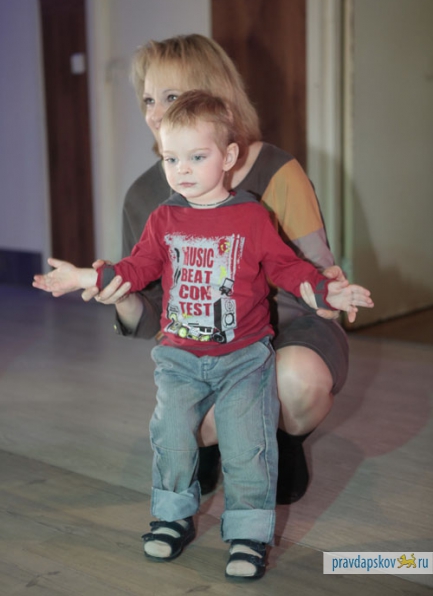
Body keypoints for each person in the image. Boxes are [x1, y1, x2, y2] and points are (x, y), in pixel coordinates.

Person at [33, 91, 373, 579]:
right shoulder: (164, 218)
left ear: (228, 157)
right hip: (179, 360)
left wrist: (327, 290)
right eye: (171, 159)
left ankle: (249, 536)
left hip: (244, 360)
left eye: (197, 157)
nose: (182, 170)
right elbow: (135, 268)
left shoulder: (251, 217)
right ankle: (171, 519)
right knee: (171, 439)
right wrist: (86, 277)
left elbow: (288, 266)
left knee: (247, 447)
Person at [81, 34, 356, 504]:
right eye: (148, 99)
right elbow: (150, 314)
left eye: (171, 96)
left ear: (214, 97)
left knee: (295, 380)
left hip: (290, 328)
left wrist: (330, 290)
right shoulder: (145, 196)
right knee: (185, 409)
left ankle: (282, 442)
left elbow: (315, 273)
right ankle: (210, 441)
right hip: (203, 344)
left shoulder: (276, 170)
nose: (156, 114)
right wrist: (123, 297)